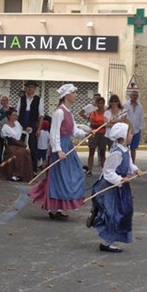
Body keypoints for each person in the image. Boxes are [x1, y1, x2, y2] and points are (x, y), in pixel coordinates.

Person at [29, 84, 90, 220]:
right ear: (66, 95)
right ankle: (54, 208)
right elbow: (54, 132)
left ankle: (59, 207)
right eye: (74, 92)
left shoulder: (69, 112)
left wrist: (87, 133)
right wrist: (58, 150)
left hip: (67, 146)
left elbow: (74, 131)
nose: (76, 95)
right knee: (60, 178)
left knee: (74, 175)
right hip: (61, 147)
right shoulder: (59, 112)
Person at [87, 123, 142, 253]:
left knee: (125, 211)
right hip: (112, 188)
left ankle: (111, 239)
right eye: (130, 133)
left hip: (121, 188)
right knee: (112, 213)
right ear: (123, 135)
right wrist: (119, 179)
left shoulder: (125, 150)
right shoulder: (116, 153)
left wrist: (136, 170)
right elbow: (108, 171)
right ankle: (107, 241)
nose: (132, 136)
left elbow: (129, 164)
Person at [0, 109, 33, 182]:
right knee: (16, 153)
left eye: (16, 115)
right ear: (9, 116)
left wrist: (26, 131)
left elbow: (20, 134)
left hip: (20, 144)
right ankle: (15, 174)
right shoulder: (5, 127)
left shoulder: (17, 123)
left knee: (24, 152)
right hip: (11, 145)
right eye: (13, 115)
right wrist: (24, 146)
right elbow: (11, 140)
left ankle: (23, 175)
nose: (15, 117)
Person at [16, 80, 44, 173]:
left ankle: (33, 170)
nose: (29, 89)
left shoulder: (38, 99)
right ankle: (21, 169)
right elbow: (18, 113)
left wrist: (39, 129)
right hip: (22, 124)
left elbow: (41, 115)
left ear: (35, 89)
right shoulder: (22, 99)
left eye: (31, 87)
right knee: (21, 146)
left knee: (32, 147)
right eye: (27, 87)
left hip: (33, 124)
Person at [86, 96, 107, 176]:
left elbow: (107, 123)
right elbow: (92, 124)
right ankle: (89, 170)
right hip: (94, 133)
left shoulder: (106, 113)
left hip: (103, 134)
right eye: (98, 103)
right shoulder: (93, 113)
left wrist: (98, 125)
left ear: (103, 104)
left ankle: (103, 170)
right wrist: (101, 125)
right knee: (91, 152)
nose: (100, 105)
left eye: (101, 103)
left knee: (102, 153)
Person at [123, 90, 145, 163]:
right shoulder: (126, 105)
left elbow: (141, 117)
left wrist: (140, 128)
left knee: (133, 148)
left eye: (136, 95)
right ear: (130, 96)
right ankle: (125, 162)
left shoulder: (140, 106)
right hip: (127, 130)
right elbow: (124, 116)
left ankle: (133, 163)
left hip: (136, 130)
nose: (135, 97)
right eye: (133, 95)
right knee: (125, 147)